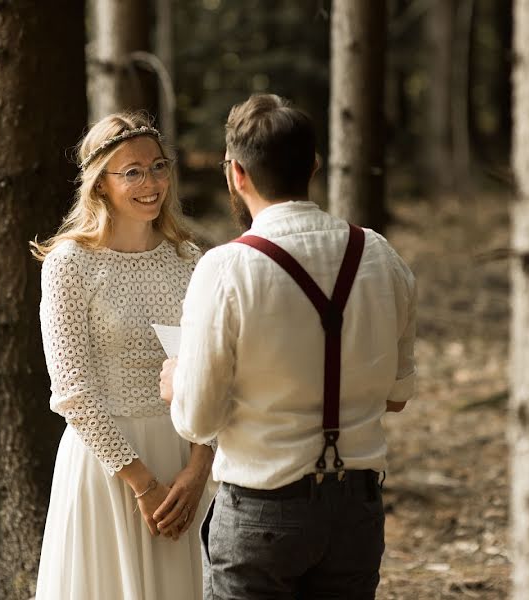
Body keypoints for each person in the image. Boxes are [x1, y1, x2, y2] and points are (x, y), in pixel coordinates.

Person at [159, 94, 417, 599]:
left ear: (236, 173)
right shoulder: (380, 255)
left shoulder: (226, 269)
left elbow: (198, 420)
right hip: (355, 512)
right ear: (314, 166)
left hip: (261, 510)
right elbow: (396, 395)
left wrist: (176, 383)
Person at [31, 112, 214, 599]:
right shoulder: (69, 265)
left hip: (182, 461)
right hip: (108, 467)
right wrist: (143, 484)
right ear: (100, 184)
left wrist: (198, 470)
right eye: (131, 172)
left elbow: (212, 371)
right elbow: (72, 393)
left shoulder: (188, 260)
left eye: (158, 166)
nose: (150, 182)